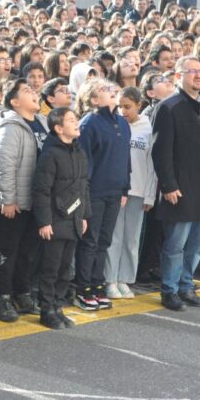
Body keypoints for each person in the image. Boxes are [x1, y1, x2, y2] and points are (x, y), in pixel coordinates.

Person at [151, 56, 200, 311]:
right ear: (178, 76)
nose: (197, 75)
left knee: (198, 242)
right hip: (182, 187)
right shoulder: (169, 107)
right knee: (176, 243)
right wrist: (169, 185)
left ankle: (186, 285)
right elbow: (160, 151)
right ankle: (169, 290)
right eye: (191, 71)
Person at [0, 78, 47, 322]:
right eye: (26, 91)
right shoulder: (11, 125)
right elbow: (4, 164)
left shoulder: (43, 122)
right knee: (8, 252)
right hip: (16, 201)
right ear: (14, 102)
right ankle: (2, 297)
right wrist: (8, 199)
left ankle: (22, 292)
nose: (34, 92)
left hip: (37, 200)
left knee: (29, 252)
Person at [73, 78, 130, 311]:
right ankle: (83, 288)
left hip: (115, 192)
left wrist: (125, 188)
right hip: (94, 192)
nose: (112, 91)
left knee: (104, 241)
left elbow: (126, 160)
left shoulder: (122, 122)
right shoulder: (89, 123)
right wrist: (84, 196)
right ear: (94, 99)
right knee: (90, 241)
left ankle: (97, 284)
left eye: (111, 88)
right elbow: (85, 164)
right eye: (105, 90)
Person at [32, 107, 90, 329]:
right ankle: (46, 310)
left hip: (73, 219)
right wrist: (44, 221)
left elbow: (83, 186)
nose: (77, 123)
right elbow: (42, 190)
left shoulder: (79, 152)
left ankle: (58, 306)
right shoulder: (50, 154)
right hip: (55, 221)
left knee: (65, 268)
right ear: (58, 128)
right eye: (71, 120)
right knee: (51, 268)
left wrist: (84, 215)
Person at [105, 87, 156, 298]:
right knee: (114, 237)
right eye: (120, 106)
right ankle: (110, 279)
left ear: (139, 106)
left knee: (131, 238)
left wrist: (150, 194)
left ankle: (125, 278)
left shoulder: (148, 128)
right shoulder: (114, 125)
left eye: (128, 107)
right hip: (118, 190)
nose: (123, 111)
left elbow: (152, 164)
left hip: (139, 189)